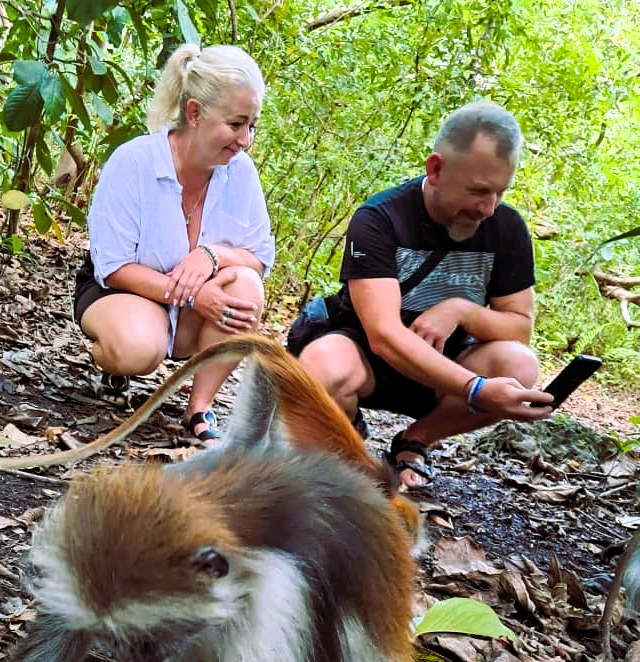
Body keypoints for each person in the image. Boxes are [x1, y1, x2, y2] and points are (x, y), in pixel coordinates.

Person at [288, 101, 555, 487]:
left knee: (520, 365)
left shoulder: (507, 228)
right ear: (436, 168)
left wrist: (460, 310)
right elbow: (382, 335)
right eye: (478, 191)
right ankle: (347, 436)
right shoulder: (380, 219)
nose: (487, 207)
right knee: (321, 365)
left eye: (500, 192)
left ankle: (414, 442)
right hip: (368, 357)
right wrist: (476, 390)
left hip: (445, 363)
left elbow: (519, 328)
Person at [74, 43, 275, 442]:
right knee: (135, 349)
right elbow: (112, 267)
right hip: (123, 292)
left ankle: (199, 408)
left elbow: (258, 258)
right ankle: (110, 364)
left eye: (252, 126)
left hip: (193, 311)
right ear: (195, 113)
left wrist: (212, 255)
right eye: (236, 125)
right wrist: (191, 296)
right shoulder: (134, 162)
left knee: (247, 289)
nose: (246, 140)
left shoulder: (241, 174)